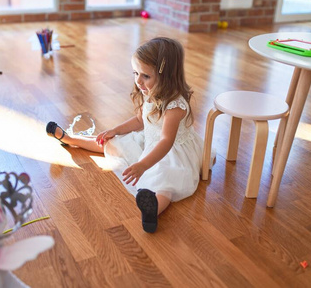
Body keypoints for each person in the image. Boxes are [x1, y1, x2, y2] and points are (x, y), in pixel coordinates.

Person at [46, 37, 211, 233]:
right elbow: (140, 121)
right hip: (149, 141)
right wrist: (115, 130)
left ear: (165, 75)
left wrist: (143, 165)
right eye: (135, 73)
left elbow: (166, 141)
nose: (139, 81)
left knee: (165, 182)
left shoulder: (175, 105)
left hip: (171, 153)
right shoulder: (149, 90)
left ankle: (152, 211)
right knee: (110, 141)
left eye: (145, 76)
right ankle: (70, 139)